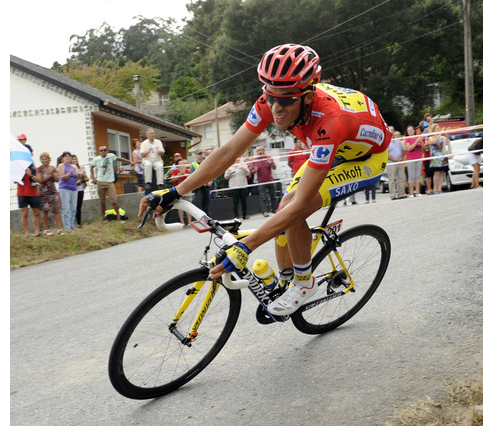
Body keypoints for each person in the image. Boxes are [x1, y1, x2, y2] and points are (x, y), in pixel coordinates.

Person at [139, 43, 390, 316]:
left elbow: (303, 201)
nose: (276, 107)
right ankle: (285, 282)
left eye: (286, 100)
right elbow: (227, 152)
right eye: (271, 96)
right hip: (333, 149)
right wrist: (176, 191)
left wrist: (245, 247)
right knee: (285, 206)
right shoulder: (272, 102)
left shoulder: (330, 121)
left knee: (296, 205)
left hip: (366, 159)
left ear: (307, 95)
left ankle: (304, 285)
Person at [91, 145, 133, 223]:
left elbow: (119, 159)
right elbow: (91, 167)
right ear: (99, 151)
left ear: (107, 150)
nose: (103, 151)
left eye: (105, 150)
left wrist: (129, 161)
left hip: (110, 182)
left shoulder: (111, 156)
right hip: (100, 182)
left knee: (114, 200)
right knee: (102, 202)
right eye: (101, 150)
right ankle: (104, 218)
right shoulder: (96, 159)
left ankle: (118, 217)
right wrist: (93, 178)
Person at [37, 152, 64, 236]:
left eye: (46, 159)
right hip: (43, 193)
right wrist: (49, 175)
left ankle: (60, 229)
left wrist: (53, 173)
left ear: (49, 159)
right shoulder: (39, 169)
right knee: (45, 211)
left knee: (56, 210)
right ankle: (47, 230)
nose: (44, 160)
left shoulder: (52, 168)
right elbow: (41, 180)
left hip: (52, 191)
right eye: (42, 159)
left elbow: (57, 179)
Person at [250, 145, 278, 217]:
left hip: (270, 180)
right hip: (261, 181)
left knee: (273, 196)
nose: (260, 152)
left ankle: (274, 209)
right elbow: (252, 171)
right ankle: (264, 211)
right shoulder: (255, 160)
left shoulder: (268, 158)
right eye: (258, 151)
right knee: (263, 197)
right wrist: (254, 170)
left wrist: (271, 163)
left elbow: (274, 168)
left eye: (261, 150)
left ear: (264, 151)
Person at [15, 166, 42, 238]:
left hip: (33, 193)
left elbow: (39, 180)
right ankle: (27, 233)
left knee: (36, 212)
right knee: (24, 213)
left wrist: (31, 175)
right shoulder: (18, 168)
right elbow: (15, 181)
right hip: (22, 193)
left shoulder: (34, 168)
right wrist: (20, 174)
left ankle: (37, 231)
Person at [425, 124, 450, 194]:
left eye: (439, 128)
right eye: (437, 129)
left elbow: (447, 143)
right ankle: (435, 189)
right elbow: (434, 142)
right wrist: (439, 134)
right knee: (436, 173)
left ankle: (439, 188)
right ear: (433, 130)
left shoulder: (442, 137)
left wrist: (446, 135)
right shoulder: (430, 137)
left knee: (441, 173)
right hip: (435, 157)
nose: (438, 130)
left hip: (442, 156)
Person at [58, 151, 79, 233]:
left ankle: (71, 225)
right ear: (63, 158)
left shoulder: (73, 167)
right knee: (66, 208)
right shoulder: (61, 165)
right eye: (66, 156)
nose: (68, 158)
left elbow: (76, 178)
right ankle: (66, 226)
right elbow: (62, 177)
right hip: (65, 188)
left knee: (73, 208)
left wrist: (80, 175)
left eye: (69, 156)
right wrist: (69, 174)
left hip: (74, 188)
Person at [140, 128, 165, 193]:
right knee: (148, 164)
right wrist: (147, 151)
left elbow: (162, 153)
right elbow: (142, 155)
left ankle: (160, 184)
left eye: (153, 133)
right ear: (147, 135)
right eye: (151, 133)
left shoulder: (158, 142)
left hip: (157, 159)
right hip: (147, 159)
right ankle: (148, 183)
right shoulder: (143, 143)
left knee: (159, 166)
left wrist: (159, 152)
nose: (153, 135)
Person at [170, 158, 193, 226]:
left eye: (183, 163)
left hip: (187, 190)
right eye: (180, 164)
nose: (182, 165)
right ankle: (182, 222)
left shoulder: (187, 170)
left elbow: (191, 178)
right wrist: (180, 174)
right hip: (178, 190)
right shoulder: (174, 171)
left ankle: (189, 222)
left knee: (188, 205)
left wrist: (185, 174)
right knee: (180, 206)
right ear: (177, 165)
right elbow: (173, 179)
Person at [189, 149, 213, 214]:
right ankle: (200, 219)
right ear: (195, 155)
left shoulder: (207, 162)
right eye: (198, 154)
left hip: (206, 187)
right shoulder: (193, 165)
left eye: (201, 153)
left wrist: (211, 180)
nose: (200, 155)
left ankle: (207, 219)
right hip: (198, 187)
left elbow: (211, 172)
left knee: (206, 204)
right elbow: (192, 176)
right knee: (199, 204)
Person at [403, 125, 424, 197]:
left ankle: (418, 192)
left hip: (418, 158)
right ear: (407, 132)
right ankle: (411, 192)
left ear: (414, 130)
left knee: (417, 176)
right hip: (411, 159)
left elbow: (423, 148)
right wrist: (416, 142)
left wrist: (421, 141)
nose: (411, 131)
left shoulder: (418, 137)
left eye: (412, 129)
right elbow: (409, 149)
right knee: (411, 176)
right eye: (409, 130)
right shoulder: (407, 139)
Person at [388, 130, 407, 200]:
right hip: (391, 161)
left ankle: (401, 194)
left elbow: (403, 149)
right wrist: (394, 159)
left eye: (392, 130)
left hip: (399, 161)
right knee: (392, 179)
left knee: (402, 178)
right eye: (389, 130)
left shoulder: (397, 140)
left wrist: (401, 157)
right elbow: (386, 154)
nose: (391, 132)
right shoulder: (386, 141)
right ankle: (393, 195)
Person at [72, 154, 89, 227]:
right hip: (73, 190)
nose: (75, 160)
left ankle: (79, 223)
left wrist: (82, 179)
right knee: (73, 207)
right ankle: (72, 223)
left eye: (76, 159)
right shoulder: (70, 169)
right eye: (73, 159)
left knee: (79, 207)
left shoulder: (81, 169)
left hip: (80, 189)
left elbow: (87, 178)